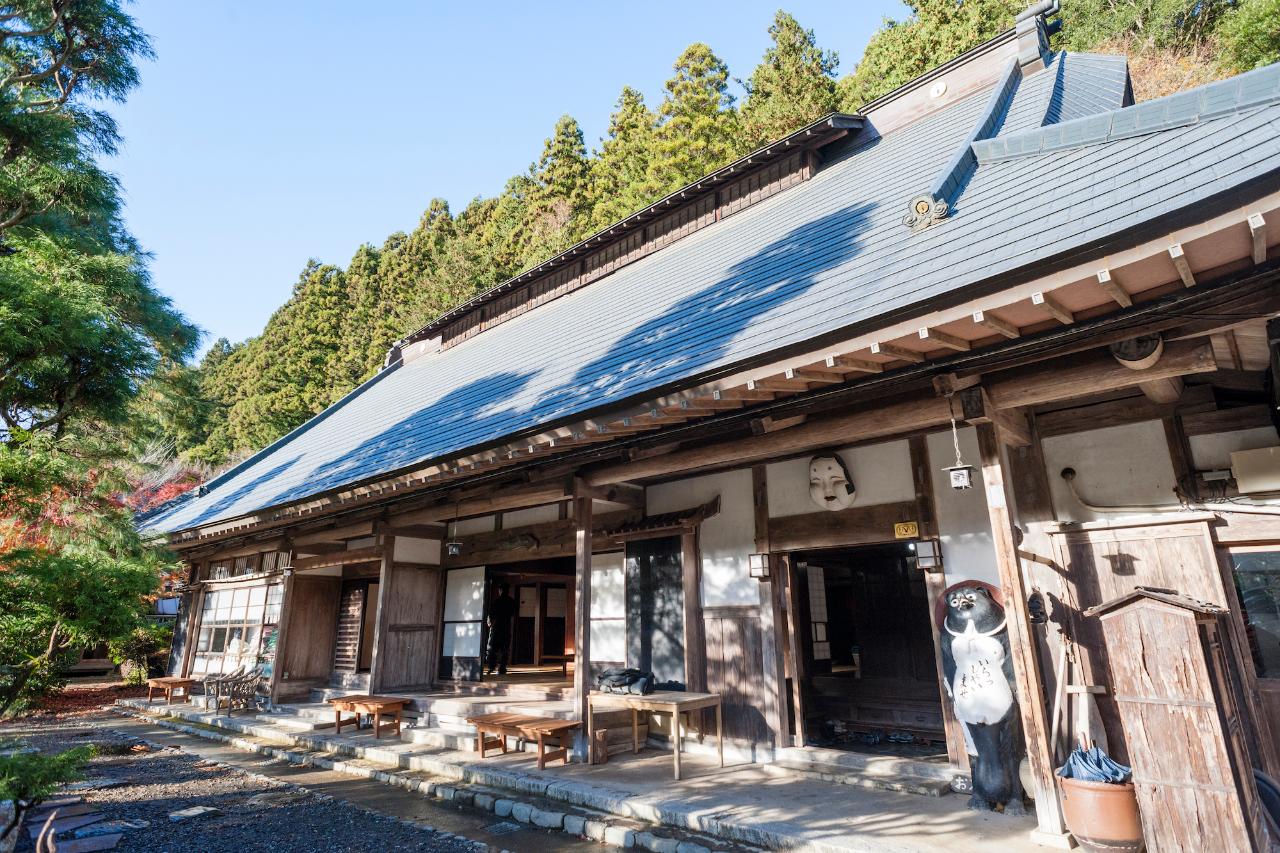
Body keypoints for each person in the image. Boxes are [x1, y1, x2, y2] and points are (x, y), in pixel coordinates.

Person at [485, 582, 518, 676]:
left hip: (496, 627)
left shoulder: (497, 601)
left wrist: (489, 622)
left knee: (492, 648)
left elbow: (490, 614)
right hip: (506, 627)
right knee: (505, 649)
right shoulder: (512, 602)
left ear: (500, 590)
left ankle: (491, 667)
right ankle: (502, 669)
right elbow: (513, 614)